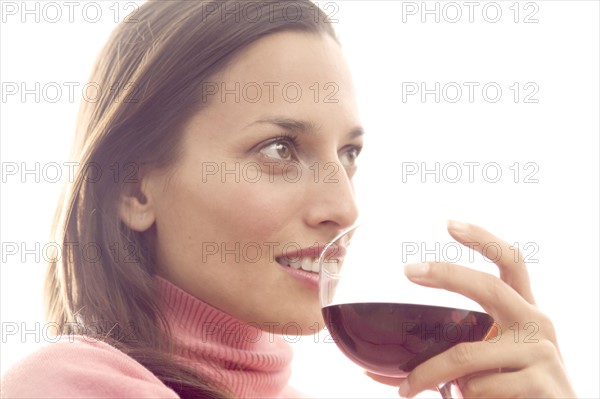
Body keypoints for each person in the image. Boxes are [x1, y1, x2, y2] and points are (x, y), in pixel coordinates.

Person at [0, 1, 577, 398]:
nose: (344, 208)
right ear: (134, 187)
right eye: (280, 149)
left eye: (348, 156)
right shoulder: (66, 385)